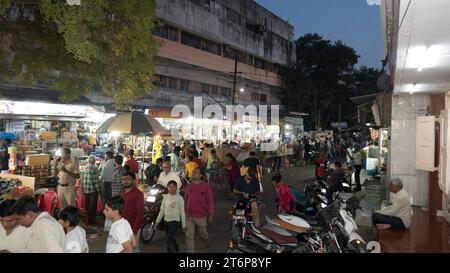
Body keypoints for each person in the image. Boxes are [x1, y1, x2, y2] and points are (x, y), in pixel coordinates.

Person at [184, 168, 214, 253]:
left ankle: (206, 242)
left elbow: (210, 201)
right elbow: (185, 200)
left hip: (201, 216)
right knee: (189, 236)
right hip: (189, 215)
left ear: (200, 175)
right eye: (193, 172)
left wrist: (210, 214)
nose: (193, 173)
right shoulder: (188, 186)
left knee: (203, 235)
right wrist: (184, 214)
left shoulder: (206, 186)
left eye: (195, 172)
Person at [155, 180, 186, 253]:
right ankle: (176, 247)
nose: (172, 188)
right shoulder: (165, 197)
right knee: (170, 237)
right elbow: (162, 210)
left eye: (173, 187)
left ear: (176, 187)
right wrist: (157, 222)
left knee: (169, 240)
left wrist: (184, 225)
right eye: (170, 187)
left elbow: (182, 212)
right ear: (167, 188)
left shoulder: (180, 198)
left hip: (175, 221)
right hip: (166, 221)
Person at [120, 172, 144, 252]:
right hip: (122, 227)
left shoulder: (138, 194)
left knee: (134, 249)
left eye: (128, 179)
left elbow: (140, 213)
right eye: (123, 179)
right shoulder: (122, 192)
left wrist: (134, 231)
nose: (125, 181)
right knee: (124, 248)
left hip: (132, 227)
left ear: (133, 181)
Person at [80, 156, 100, 226]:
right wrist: (98, 189)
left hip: (86, 189)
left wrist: (82, 188)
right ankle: (91, 221)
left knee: (87, 205)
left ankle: (87, 219)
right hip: (93, 190)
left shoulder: (84, 168)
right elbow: (95, 180)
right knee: (92, 206)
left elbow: (81, 179)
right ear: (94, 161)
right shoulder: (94, 168)